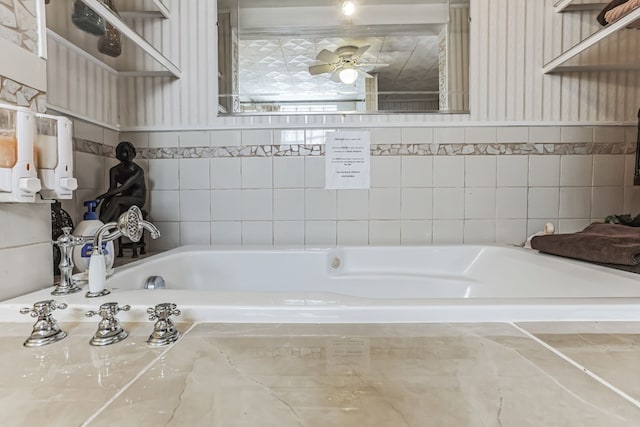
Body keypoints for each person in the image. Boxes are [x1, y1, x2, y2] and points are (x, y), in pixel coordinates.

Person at [96, 141, 146, 223]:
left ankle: (101, 225)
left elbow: (123, 187)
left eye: (130, 151)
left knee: (116, 200)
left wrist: (100, 198)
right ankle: (109, 231)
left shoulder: (138, 171)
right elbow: (112, 190)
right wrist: (103, 205)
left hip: (138, 200)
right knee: (115, 211)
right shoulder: (114, 170)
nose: (129, 154)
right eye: (125, 151)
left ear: (134, 153)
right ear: (118, 155)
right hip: (123, 199)